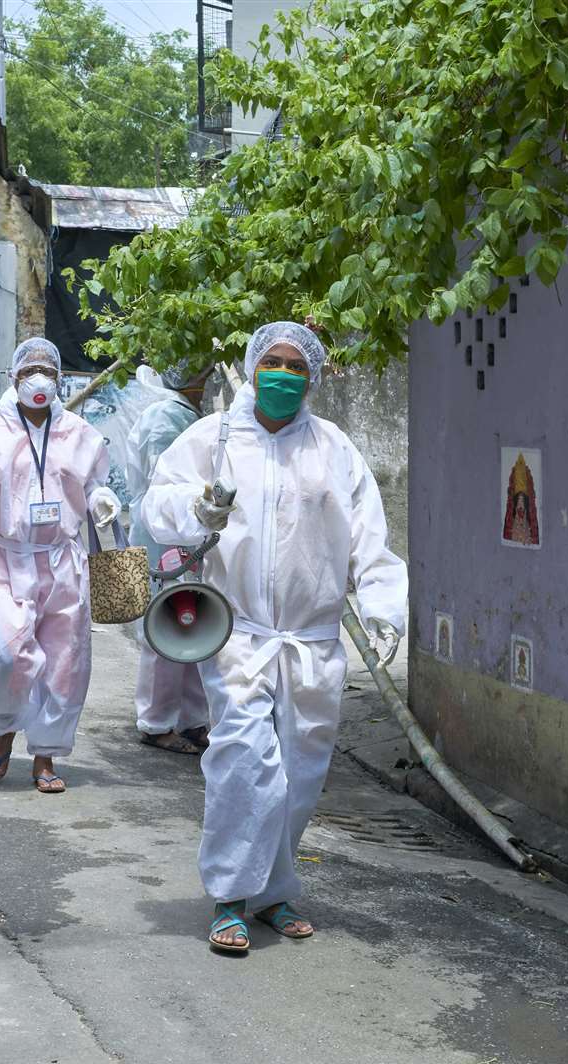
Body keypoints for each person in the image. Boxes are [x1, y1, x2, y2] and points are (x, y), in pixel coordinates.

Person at [142, 321, 407, 953]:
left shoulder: (334, 448)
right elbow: (158, 504)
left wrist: (381, 605)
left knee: (300, 770)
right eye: (273, 362)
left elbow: (370, 533)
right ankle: (230, 895)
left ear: (311, 376)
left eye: (296, 365)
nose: (284, 374)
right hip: (239, 631)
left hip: (313, 640)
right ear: (254, 366)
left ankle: (274, 891)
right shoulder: (216, 438)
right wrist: (196, 508)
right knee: (244, 760)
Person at [0, 338, 120, 794]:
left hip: (62, 559)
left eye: (47, 370)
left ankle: (45, 755)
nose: (39, 379)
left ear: (59, 378)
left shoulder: (79, 432)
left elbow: (95, 481)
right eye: (29, 370)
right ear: (13, 376)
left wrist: (101, 499)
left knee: (64, 661)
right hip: (5, 556)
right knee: (6, 654)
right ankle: (4, 729)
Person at [124, 361, 211, 755]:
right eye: (203, 375)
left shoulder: (181, 414)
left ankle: (192, 720)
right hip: (165, 537)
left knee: (194, 628)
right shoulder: (166, 417)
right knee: (165, 630)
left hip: (185, 536)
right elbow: (167, 481)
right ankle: (156, 722)